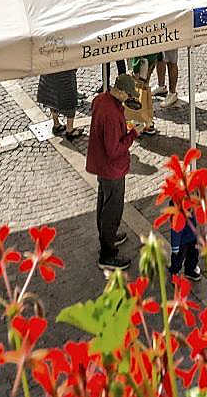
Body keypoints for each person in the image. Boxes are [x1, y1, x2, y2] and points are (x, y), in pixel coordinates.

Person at [86, 73, 140, 268]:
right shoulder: (112, 113)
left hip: (101, 165)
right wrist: (133, 133)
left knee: (104, 202)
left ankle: (107, 238)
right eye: (128, 94)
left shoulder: (101, 100)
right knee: (112, 209)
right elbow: (114, 150)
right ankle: (107, 254)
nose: (129, 98)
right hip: (112, 169)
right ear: (119, 91)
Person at [38, 66, 81, 140]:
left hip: (47, 69)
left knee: (52, 96)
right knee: (69, 99)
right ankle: (70, 130)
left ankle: (57, 125)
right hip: (64, 70)